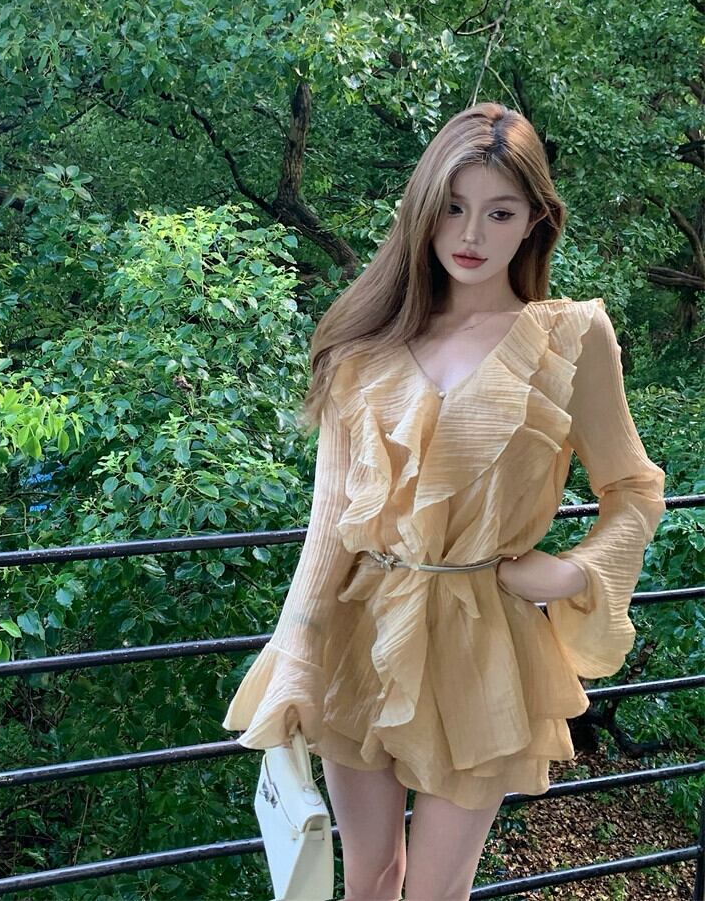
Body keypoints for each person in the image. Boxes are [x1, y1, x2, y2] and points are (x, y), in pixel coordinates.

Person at [221, 102, 666, 901]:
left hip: (482, 639)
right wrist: (296, 656)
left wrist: (575, 573)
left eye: (500, 212)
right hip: (362, 628)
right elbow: (329, 525)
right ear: (422, 208)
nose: (471, 234)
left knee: (436, 890)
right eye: (453, 207)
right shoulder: (366, 342)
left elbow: (633, 488)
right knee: (367, 880)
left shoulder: (570, 338)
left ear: (536, 220)